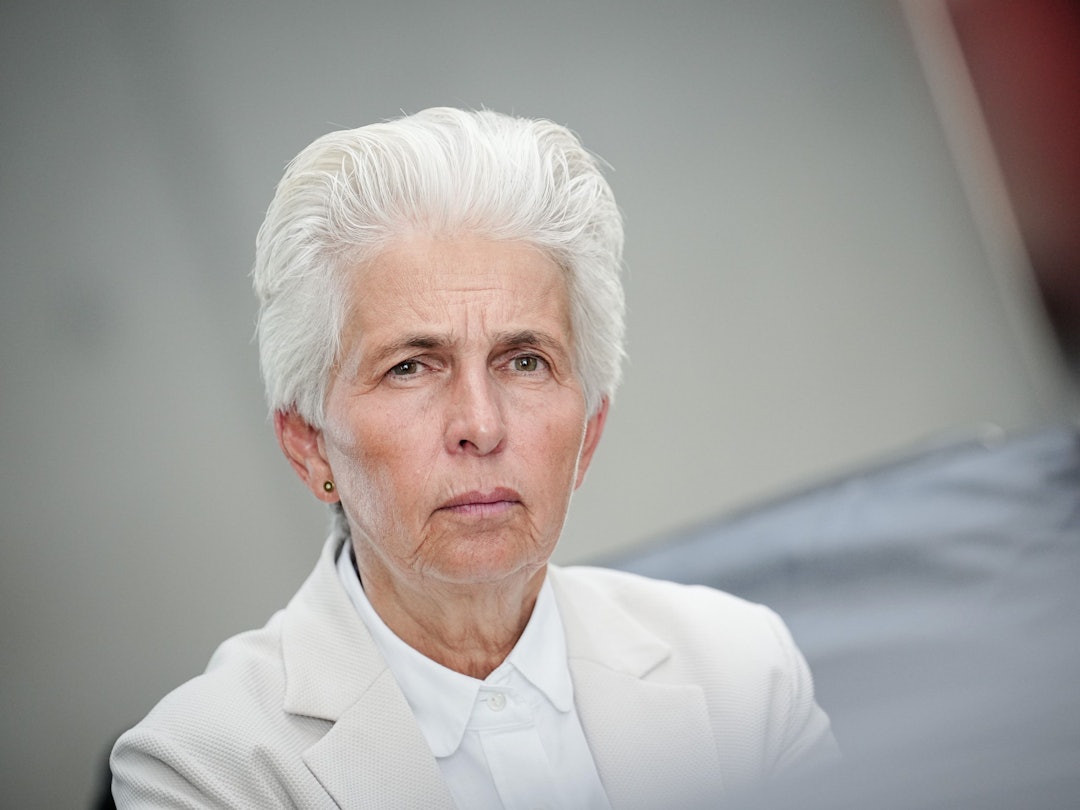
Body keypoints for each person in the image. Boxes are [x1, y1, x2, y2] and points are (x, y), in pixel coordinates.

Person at [110, 107, 836, 808]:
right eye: (411, 367)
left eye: (524, 361)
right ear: (308, 442)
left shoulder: (741, 671)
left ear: (588, 433)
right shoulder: (205, 770)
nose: (480, 426)